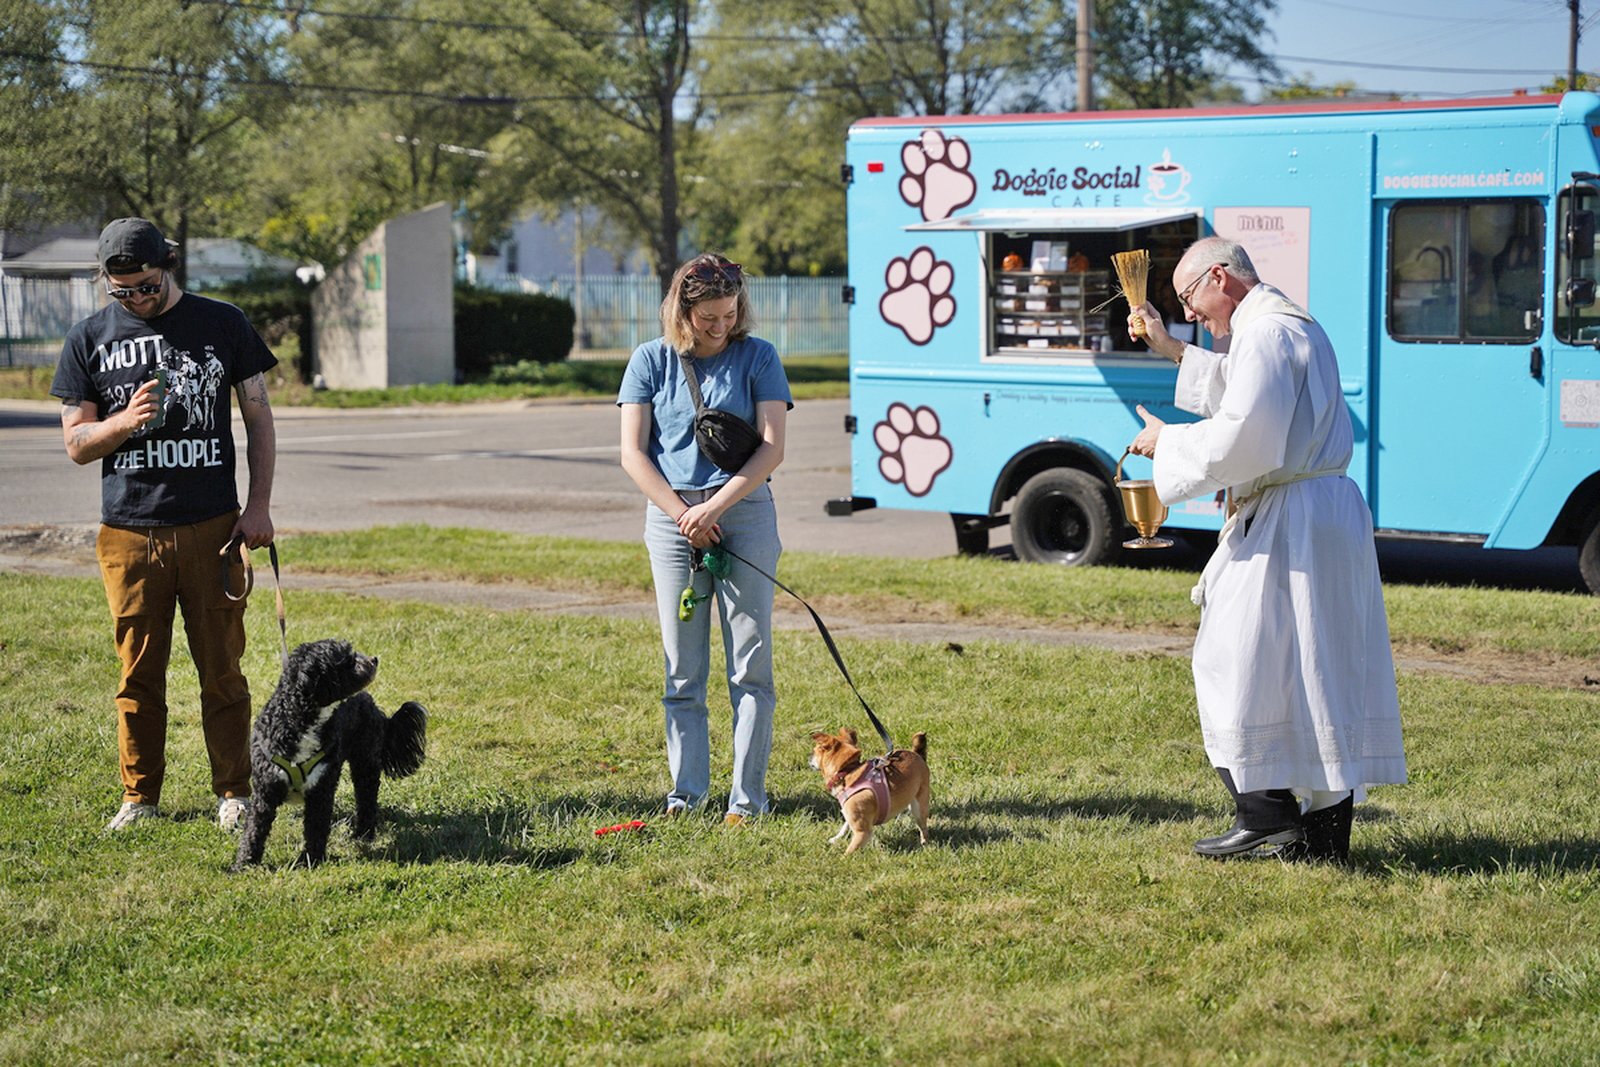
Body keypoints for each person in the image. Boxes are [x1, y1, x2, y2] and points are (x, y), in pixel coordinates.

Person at [1125, 236, 1407, 863]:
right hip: (1318, 511)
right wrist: (1171, 348)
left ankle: (1267, 817)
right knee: (1314, 671)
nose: (1188, 312)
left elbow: (1247, 437)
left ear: (1219, 276)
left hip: (1292, 517)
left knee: (1235, 659)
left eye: (1188, 297)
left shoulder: (1266, 334)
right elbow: (1243, 389)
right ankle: (1322, 840)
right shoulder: (1290, 325)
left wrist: (1169, 442)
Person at [51, 218, 278, 833]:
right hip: (129, 532)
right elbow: (76, 443)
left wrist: (258, 506)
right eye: (121, 291)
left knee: (222, 670)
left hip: (214, 526)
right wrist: (124, 423)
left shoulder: (223, 322)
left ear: (168, 266)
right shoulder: (88, 338)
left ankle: (234, 791)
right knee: (138, 673)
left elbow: (258, 416)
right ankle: (139, 798)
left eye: (146, 286)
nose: (136, 299)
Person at [618, 254, 792, 825]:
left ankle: (747, 802)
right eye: (708, 317)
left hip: (743, 514)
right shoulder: (649, 360)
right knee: (681, 669)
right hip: (673, 524)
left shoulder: (759, 356)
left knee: (751, 667)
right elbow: (633, 454)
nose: (721, 327)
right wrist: (683, 515)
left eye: (730, 314)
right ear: (681, 310)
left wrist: (713, 508)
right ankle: (686, 795)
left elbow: (772, 448)